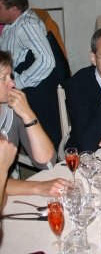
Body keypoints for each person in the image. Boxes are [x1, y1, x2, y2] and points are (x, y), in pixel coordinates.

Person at [0, 0, 66, 149]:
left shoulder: (27, 25)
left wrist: (17, 83)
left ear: (14, 9)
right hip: (22, 85)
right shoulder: (11, 24)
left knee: (46, 137)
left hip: (36, 90)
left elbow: (46, 60)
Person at [0, 50, 67, 199]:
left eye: (11, 76)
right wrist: (38, 187)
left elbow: (47, 162)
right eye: (3, 78)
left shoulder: (11, 108)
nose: (12, 83)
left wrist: (28, 114)